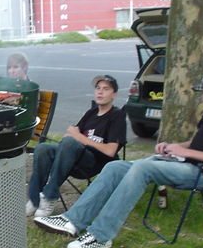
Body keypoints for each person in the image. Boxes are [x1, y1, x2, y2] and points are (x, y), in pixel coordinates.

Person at [34, 70, 203, 248]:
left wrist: (189, 154)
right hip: (183, 162)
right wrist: (173, 147)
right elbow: (196, 143)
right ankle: (72, 221)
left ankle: (101, 235)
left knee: (142, 167)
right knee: (115, 166)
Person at [26, 75, 127, 217]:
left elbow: (110, 151)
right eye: (98, 88)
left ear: (114, 95)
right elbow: (70, 134)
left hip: (94, 162)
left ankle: (49, 196)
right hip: (73, 157)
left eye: (106, 89)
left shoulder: (117, 116)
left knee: (70, 143)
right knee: (43, 148)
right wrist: (74, 137)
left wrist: (80, 138)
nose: (100, 92)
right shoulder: (91, 113)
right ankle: (35, 199)